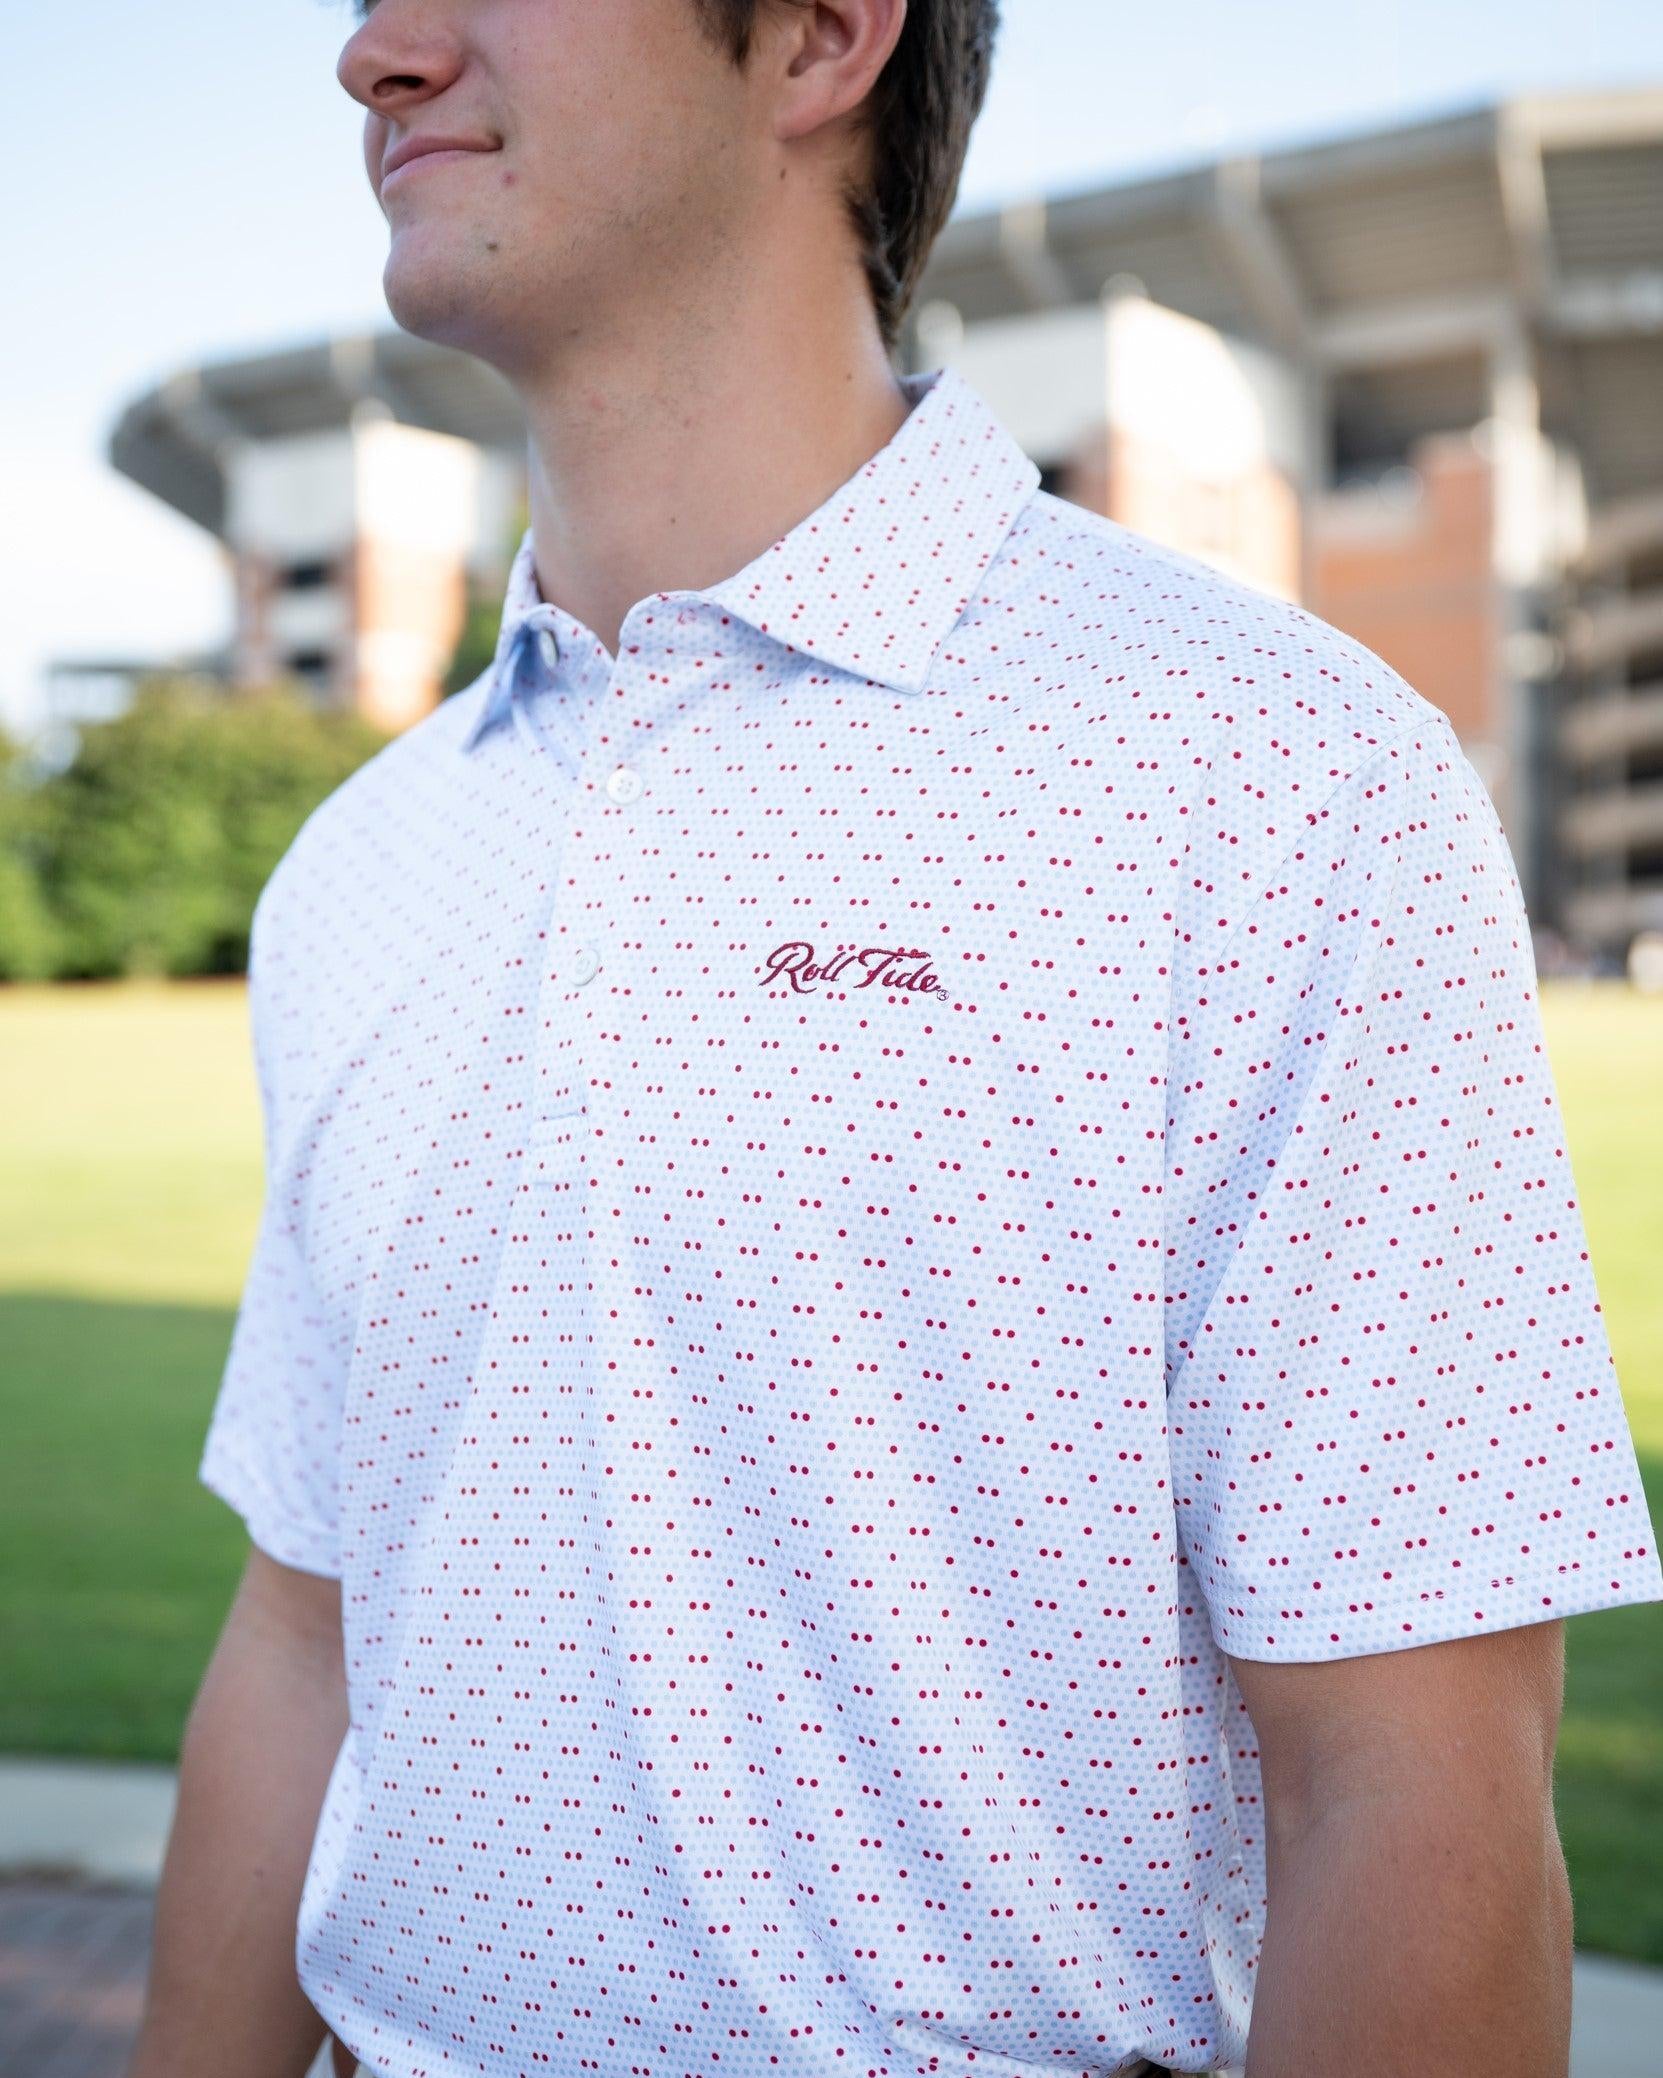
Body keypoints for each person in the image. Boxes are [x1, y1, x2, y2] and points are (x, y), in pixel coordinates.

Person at [127, 4, 1663, 2076]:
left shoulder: (1274, 780)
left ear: (824, 37)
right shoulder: (358, 864)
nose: (378, 53)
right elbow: (303, 1633)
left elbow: (1410, 1784)